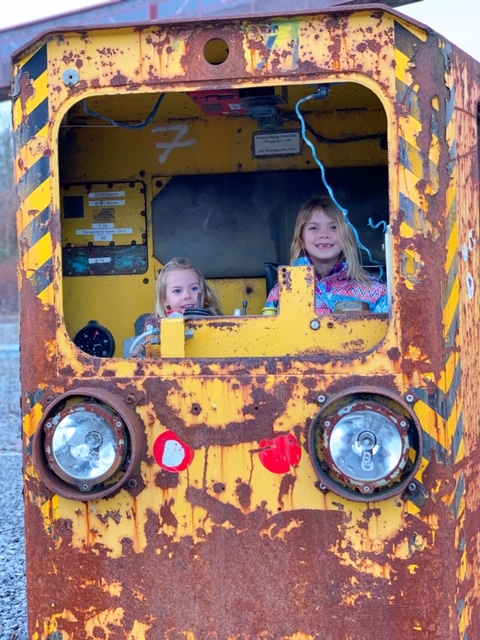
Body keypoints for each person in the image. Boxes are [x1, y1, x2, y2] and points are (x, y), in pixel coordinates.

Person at [264, 195, 388, 314]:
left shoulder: (375, 290)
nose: (324, 234)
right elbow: (268, 333)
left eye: (333, 227)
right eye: (314, 228)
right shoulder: (282, 290)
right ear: (301, 239)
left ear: (346, 238)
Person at [154, 256, 222, 318]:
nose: (187, 296)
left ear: (204, 292)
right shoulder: (157, 329)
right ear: (164, 299)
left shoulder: (219, 323)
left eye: (194, 288)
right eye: (177, 291)